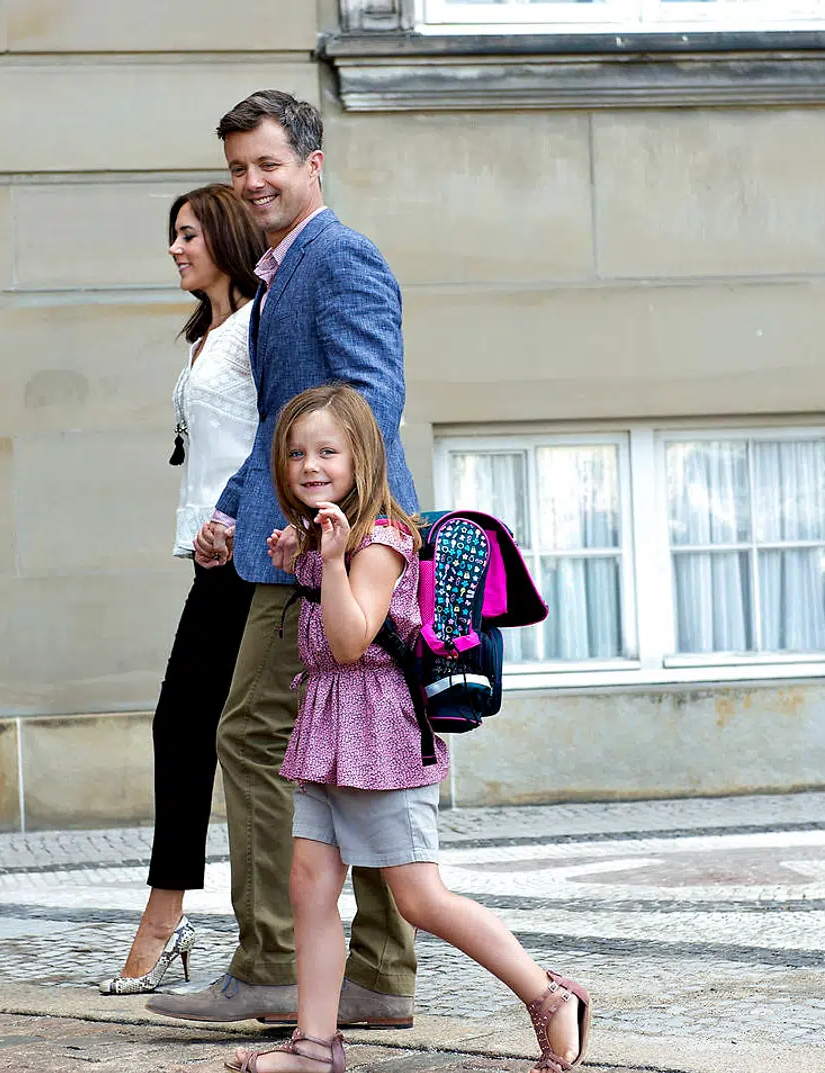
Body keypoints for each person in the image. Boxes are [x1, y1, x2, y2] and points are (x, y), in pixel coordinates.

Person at [147, 91, 420, 1029]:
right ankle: (378, 973)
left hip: (333, 549)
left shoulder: (338, 256)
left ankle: (269, 961)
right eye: (237, 168)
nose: (251, 182)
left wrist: (328, 537)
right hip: (292, 539)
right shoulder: (278, 272)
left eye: (267, 163)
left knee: (254, 733)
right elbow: (280, 419)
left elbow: (370, 404)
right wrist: (229, 508)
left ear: (313, 162)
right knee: (361, 752)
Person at [225, 384, 593, 1073]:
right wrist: (302, 559)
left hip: (380, 737)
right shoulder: (326, 535)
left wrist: (328, 562)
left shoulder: (382, 537)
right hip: (329, 735)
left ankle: (549, 995)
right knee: (309, 882)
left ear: (361, 457)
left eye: (327, 451)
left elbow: (348, 638)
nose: (309, 464)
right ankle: (313, 1045)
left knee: (419, 897)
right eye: (297, 452)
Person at [97, 185, 266, 994]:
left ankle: (171, 921)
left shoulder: (256, 328)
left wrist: (235, 516)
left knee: (203, 727)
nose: (174, 247)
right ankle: (187, 922)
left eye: (188, 233)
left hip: (247, 559)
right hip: (211, 562)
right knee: (193, 728)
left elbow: (284, 434)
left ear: (225, 237)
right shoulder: (208, 335)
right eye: (173, 235)